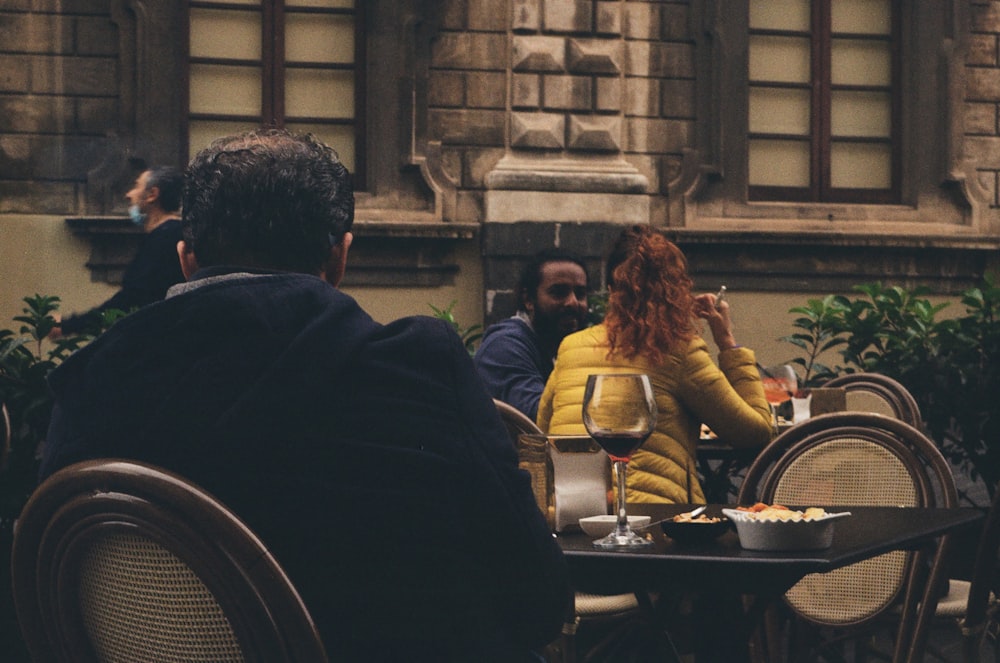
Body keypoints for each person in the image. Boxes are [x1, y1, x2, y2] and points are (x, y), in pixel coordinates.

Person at [40, 129, 569, 662]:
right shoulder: (417, 369)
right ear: (340, 257)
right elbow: (539, 601)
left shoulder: (89, 385)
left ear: (186, 258)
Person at [537, 225, 773, 504]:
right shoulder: (678, 351)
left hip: (569, 514)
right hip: (656, 521)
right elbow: (754, 433)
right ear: (676, 291)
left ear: (611, 289)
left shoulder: (571, 346)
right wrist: (727, 341)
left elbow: (542, 431)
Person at [53, 166, 186, 337]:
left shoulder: (164, 239)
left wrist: (68, 325)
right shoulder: (171, 234)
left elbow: (130, 299)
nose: (129, 194)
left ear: (153, 194)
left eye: (137, 187)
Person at [474, 248, 589, 420]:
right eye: (558, 292)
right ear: (528, 300)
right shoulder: (504, 347)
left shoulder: (553, 345)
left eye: (580, 294)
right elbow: (540, 418)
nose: (573, 302)